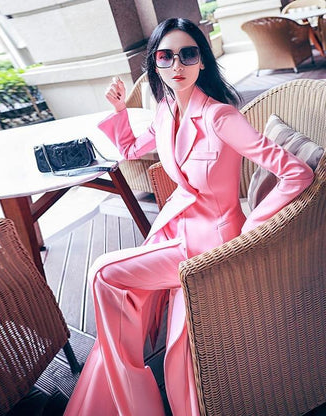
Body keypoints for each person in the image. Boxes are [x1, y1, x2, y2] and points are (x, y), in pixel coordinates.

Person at [64, 17, 314, 416]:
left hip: (210, 240)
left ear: (202, 61)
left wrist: (253, 226)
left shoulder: (221, 117)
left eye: (188, 54)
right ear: (154, 64)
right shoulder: (165, 109)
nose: (177, 64)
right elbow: (129, 150)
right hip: (174, 227)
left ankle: (131, 395)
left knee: (104, 274)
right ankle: (124, 381)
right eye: (166, 56)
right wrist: (118, 110)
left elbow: (296, 172)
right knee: (127, 303)